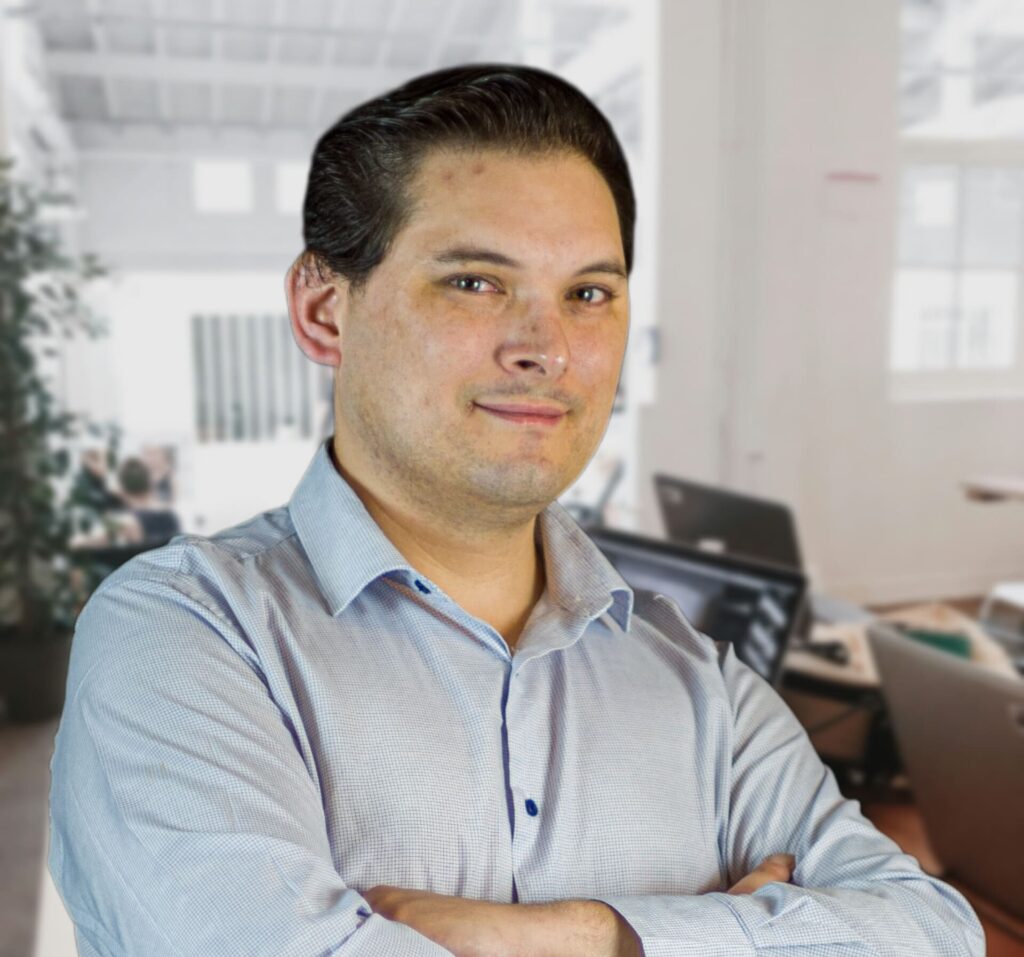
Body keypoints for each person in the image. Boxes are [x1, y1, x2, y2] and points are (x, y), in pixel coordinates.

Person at [48, 65, 983, 957]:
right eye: (475, 282)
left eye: (588, 293)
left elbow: (933, 932)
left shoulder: (702, 686)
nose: (547, 348)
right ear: (325, 309)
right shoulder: (183, 636)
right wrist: (720, 935)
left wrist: (582, 934)